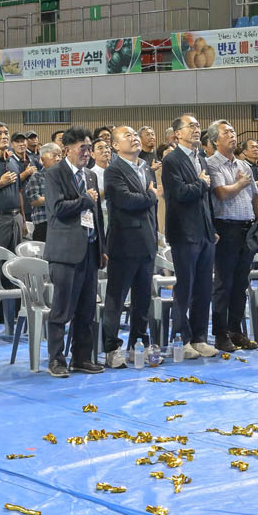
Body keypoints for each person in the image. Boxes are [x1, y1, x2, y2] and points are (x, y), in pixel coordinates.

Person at [38, 127, 105, 377]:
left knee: (86, 310)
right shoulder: (54, 174)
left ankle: (81, 358)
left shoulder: (91, 176)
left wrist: (102, 247)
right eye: (82, 148)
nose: (87, 153)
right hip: (65, 253)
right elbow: (57, 209)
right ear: (67, 150)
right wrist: (85, 200)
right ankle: (56, 360)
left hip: (90, 250)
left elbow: (97, 216)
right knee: (62, 310)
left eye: (89, 148)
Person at [100, 125, 158, 366]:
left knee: (142, 299)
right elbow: (126, 200)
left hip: (147, 241)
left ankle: (138, 344)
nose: (134, 138)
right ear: (115, 145)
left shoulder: (146, 168)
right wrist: (151, 196)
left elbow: (149, 208)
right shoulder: (113, 170)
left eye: (135, 135)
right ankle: (112, 348)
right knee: (116, 299)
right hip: (124, 243)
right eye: (128, 136)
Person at [161, 115, 217, 359]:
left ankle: (199, 337)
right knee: (185, 287)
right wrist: (201, 183)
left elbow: (206, 199)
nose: (196, 129)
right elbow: (180, 193)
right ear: (177, 134)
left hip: (204, 231)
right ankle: (181, 338)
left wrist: (212, 227)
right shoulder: (172, 160)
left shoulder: (201, 158)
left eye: (198, 126)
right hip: (184, 232)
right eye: (191, 126)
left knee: (204, 288)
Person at [202, 122, 257, 354]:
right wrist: (240, 183)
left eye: (234, 132)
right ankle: (220, 333)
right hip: (226, 228)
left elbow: (255, 197)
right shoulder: (211, 164)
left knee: (241, 283)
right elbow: (221, 193)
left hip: (247, 227)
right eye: (227, 133)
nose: (233, 135)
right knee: (223, 283)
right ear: (215, 140)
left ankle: (236, 330)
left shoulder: (243, 164)